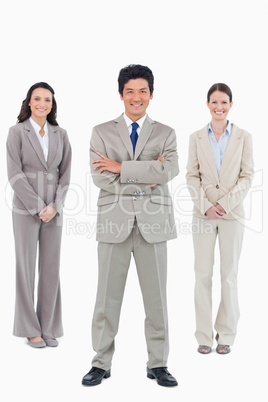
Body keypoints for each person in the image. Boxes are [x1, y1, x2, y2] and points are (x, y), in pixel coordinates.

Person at [82, 64, 179, 387]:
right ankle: (101, 362)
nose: (136, 98)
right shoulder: (101, 131)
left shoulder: (166, 133)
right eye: (130, 91)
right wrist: (146, 173)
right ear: (120, 94)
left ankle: (158, 363)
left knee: (157, 300)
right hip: (114, 222)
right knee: (106, 298)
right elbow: (100, 177)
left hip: (154, 223)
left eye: (143, 91)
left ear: (151, 94)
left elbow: (168, 171)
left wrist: (121, 166)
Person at [186, 83, 254, 355]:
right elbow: (191, 175)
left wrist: (224, 204)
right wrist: (205, 205)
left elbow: (247, 176)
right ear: (207, 104)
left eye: (224, 102)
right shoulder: (196, 137)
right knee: (202, 275)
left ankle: (225, 334)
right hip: (203, 215)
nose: (219, 107)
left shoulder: (244, 137)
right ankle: (203, 336)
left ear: (231, 105)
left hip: (232, 214)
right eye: (214, 102)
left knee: (229, 276)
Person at [6, 82, 72, 348]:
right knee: (25, 267)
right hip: (25, 208)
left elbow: (66, 174)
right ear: (29, 102)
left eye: (47, 99)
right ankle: (29, 328)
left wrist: (55, 205)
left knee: (51, 267)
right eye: (37, 99)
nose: (42, 103)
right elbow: (14, 173)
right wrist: (37, 205)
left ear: (52, 104)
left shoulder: (61, 133)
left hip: (55, 209)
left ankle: (48, 327)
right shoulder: (16, 132)